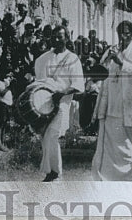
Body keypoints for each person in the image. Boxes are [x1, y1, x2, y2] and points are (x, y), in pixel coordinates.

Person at [91, 20, 132, 180]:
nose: (123, 36)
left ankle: (124, 178)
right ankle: (106, 178)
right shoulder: (112, 50)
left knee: (126, 147)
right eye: (120, 33)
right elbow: (100, 72)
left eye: (127, 33)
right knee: (107, 146)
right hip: (109, 106)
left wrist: (121, 62)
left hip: (126, 106)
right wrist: (107, 57)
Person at [33, 26, 84, 182]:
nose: (56, 39)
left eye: (60, 37)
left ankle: (54, 172)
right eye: (53, 36)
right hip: (44, 103)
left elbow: (78, 85)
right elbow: (38, 82)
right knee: (45, 136)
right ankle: (52, 171)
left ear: (67, 39)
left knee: (53, 134)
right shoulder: (42, 59)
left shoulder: (72, 59)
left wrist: (61, 94)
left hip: (62, 103)